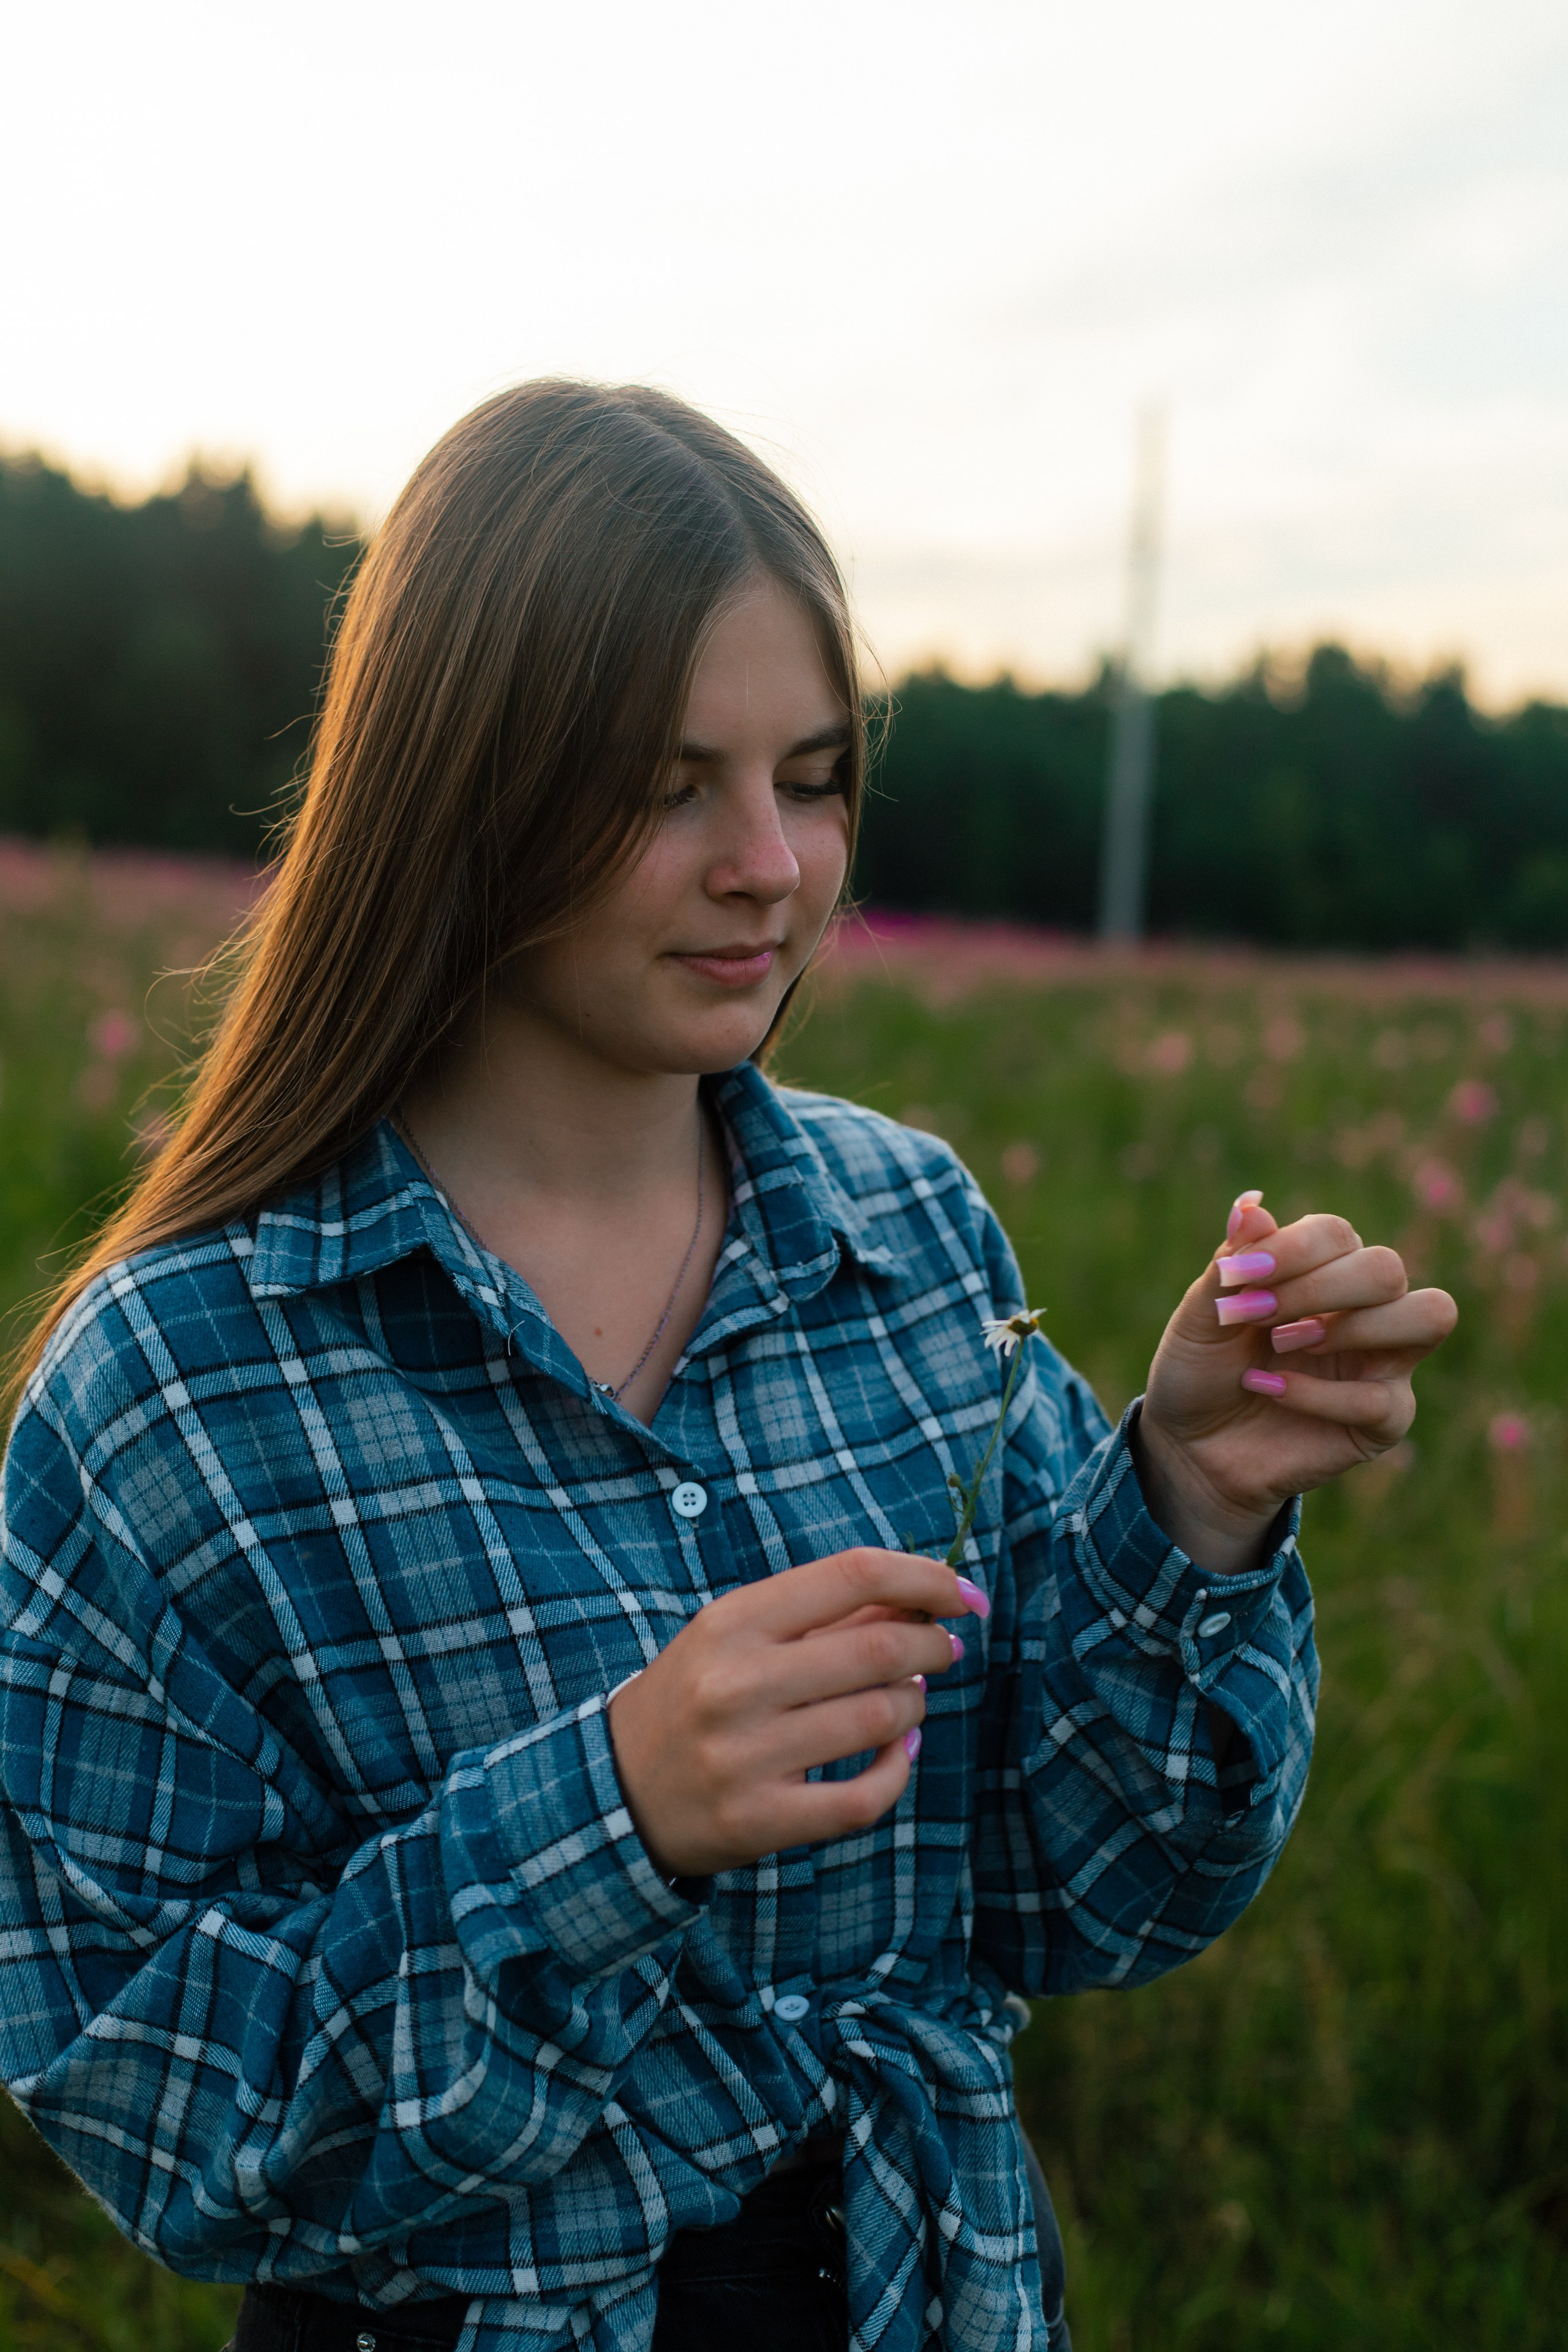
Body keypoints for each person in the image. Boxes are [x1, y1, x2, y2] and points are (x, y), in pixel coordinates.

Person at [0, 382, 1455, 2352]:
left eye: (817, 773)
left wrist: (1188, 1512)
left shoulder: (910, 1240)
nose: (772, 863)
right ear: (458, 788)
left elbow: (1076, 1886)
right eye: (668, 782)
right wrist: (614, 1819)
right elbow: (158, 2109)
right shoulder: (178, 1387)